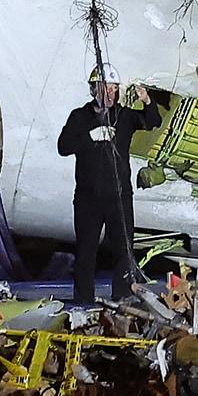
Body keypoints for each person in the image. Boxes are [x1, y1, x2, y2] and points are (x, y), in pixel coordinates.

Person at [57, 62, 161, 303]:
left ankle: (122, 298)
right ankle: (84, 300)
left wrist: (146, 99)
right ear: (94, 90)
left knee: (123, 251)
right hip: (88, 198)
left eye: (115, 89)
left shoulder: (123, 116)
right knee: (86, 252)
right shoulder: (80, 117)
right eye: (106, 89)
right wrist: (89, 137)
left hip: (119, 195)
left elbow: (152, 120)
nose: (111, 94)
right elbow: (63, 147)